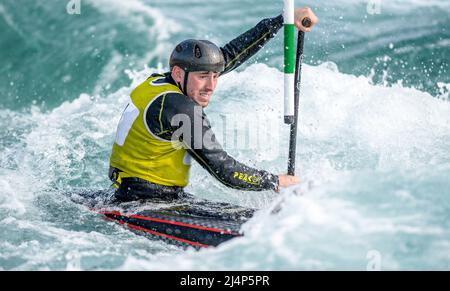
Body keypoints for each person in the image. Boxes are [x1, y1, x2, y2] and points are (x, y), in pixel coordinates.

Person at [108, 7, 318, 203]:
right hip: (147, 201)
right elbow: (224, 171)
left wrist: (283, 20)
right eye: (203, 76)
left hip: (126, 190)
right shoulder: (180, 108)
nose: (211, 86)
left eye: (215, 76)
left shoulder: (159, 83)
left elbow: (231, 55)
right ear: (179, 74)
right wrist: (275, 181)